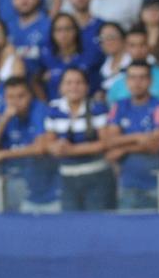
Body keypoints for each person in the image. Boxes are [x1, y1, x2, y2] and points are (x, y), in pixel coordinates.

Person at [0, 75, 57, 213]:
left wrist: (5, 154)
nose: (15, 102)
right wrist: (4, 119)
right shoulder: (3, 113)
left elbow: (41, 147)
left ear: (30, 96)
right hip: (12, 183)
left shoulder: (39, 109)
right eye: (10, 97)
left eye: (21, 96)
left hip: (44, 188)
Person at [103, 61, 159, 210]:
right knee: (125, 231)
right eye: (132, 77)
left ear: (150, 81)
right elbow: (110, 141)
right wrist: (139, 137)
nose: (137, 82)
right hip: (125, 184)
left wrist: (125, 148)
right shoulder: (119, 106)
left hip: (153, 184)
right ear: (126, 81)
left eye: (142, 77)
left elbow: (155, 145)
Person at [43, 67, 112, 211]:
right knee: (70, 224)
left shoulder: (97, 108)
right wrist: (56, 147)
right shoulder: (54, 109)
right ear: (61, 87)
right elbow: (48, 142)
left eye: (79, 82)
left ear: (87, 87)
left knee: (96, 222)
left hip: (96, 175)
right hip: (66, 176)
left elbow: (105, 143)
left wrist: (72, 150)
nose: (73, 87)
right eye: (68, 83)